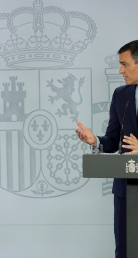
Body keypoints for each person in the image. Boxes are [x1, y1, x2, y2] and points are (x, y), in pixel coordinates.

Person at [75, 40, 138, 258]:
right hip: (127, 189)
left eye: (125, 64)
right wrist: (96, 141)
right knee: (126, 251)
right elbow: (113, 140)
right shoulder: (121, 95)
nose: (120, 71)